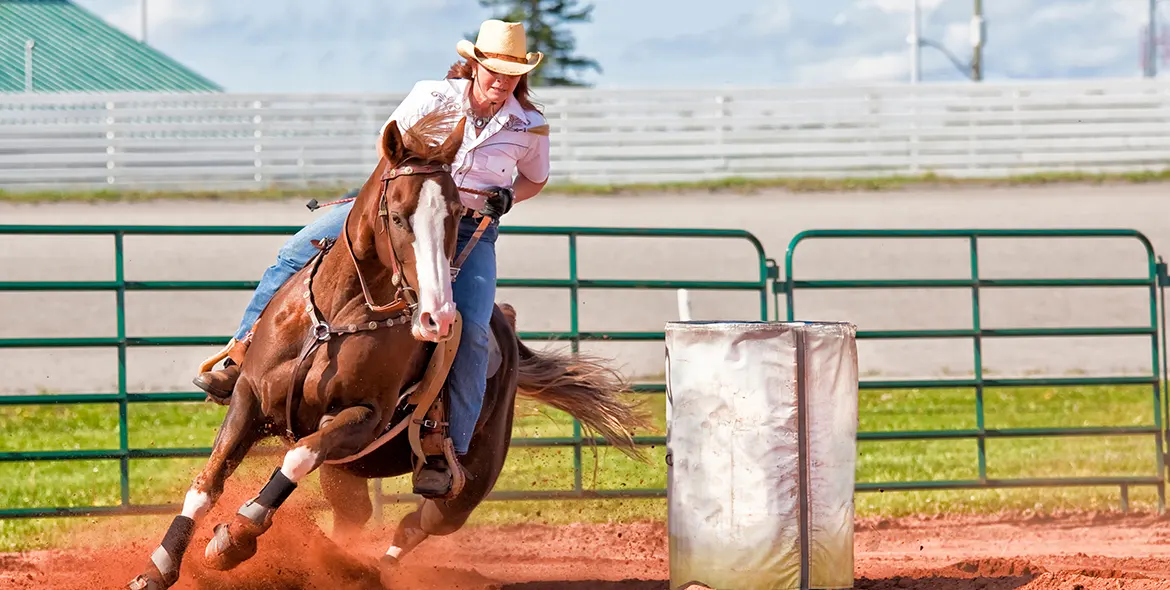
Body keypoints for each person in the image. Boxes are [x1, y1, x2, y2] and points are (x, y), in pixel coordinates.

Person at [192, 19, 551, 496]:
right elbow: (391, 151)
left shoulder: (529, 125)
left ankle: (447, 447)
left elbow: (535, 178)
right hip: (397, 208)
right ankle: (241, 352)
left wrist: (507, 196)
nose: (500, 81)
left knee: (473, 327)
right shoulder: (433, 96)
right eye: (493, 69)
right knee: (294, 253)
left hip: (465, 228)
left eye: (510, 73)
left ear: (520, 77)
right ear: (476, 65)